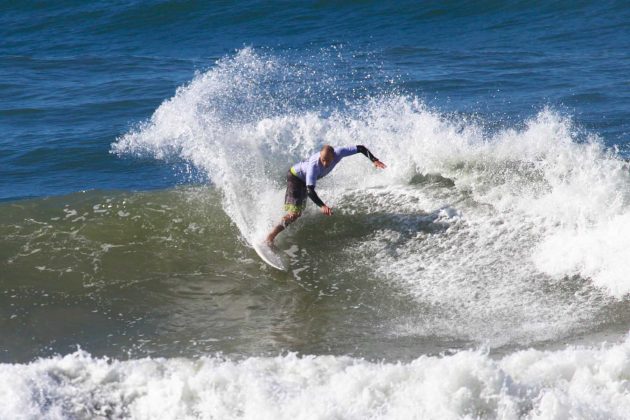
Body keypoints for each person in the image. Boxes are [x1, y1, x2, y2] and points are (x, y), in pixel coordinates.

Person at [266, 144, 386, 245]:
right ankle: (270, 237)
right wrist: (322, 206)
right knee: (294, 214)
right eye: (322, 159)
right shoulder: (314, 166)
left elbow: (360, 148)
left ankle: (274, 226)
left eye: (327, 160)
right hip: (296, 177)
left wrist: (374, 160)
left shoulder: (339, 153)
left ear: (334, 156)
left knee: (298, 214)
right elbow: (310, 191)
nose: (324, 163)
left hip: (304, 180)